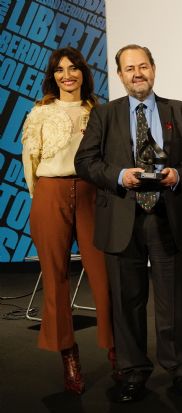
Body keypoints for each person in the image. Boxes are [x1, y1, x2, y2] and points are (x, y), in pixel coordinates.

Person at [75, 44, 182, 401]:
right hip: (122, 218)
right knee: (126, 302)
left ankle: (179, 367)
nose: (138, 74)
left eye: (143, 66)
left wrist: (177, 175)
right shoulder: (104, 114)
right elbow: (85, 161)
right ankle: (133, 372)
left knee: (173, 301)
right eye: (130, 68)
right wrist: (120, 176)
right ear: (120, 75)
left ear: (154, 68)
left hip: (168, 217)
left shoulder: (180, 111)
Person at [21, 47, 114, 395]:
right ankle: (68, 355)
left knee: (104, 276)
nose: (67, 75)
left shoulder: (99, 112)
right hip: (50, 193)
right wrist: (44, 198)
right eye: (59, 70)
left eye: (73, 68)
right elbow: (30, 161)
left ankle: (117, 351)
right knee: (55, 277)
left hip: (92, 194)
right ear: (53, 76)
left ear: (83, 73)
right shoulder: (40, 113)